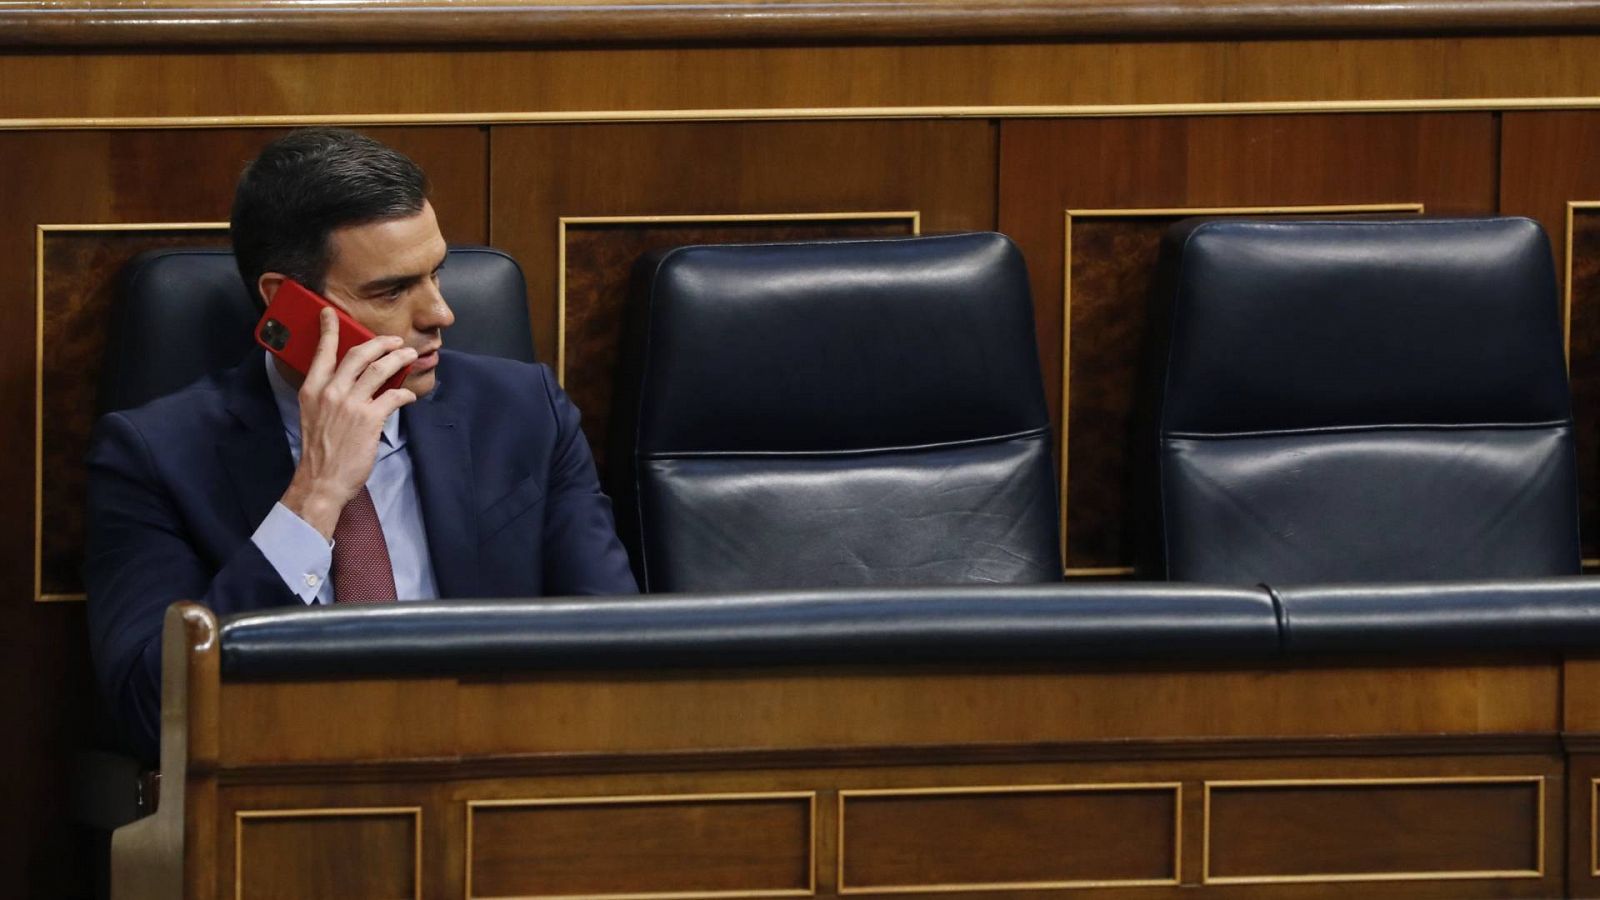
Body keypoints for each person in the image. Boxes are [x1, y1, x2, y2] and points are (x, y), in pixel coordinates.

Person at [85, 128, 637, 761]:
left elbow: (618, 653)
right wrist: (315, 495)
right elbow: (152, 712)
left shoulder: (523, 414)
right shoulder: (153, 457)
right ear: (285, 305)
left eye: (437, 274)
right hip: (281, 808)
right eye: (392, 290)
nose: (440, 314)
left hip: (498, 785)